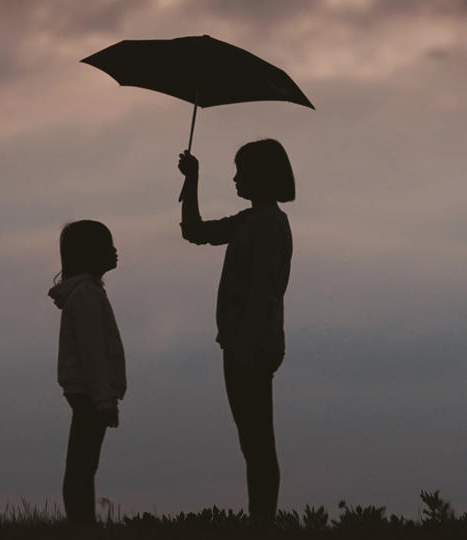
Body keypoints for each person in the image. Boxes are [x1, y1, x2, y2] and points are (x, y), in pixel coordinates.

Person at [177, 139, 294, 522]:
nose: (235, 178)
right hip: (246, 344)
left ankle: (262, 521)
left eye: (241, 170)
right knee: (254, 442)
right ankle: (261, 519)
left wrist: (246, 348)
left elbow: (263, 292)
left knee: (258, 442)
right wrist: (192, 180)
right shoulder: (251, 220)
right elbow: (195, 231)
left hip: (252, 347)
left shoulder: (267, 224)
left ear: (261, 176)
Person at [47, 220, 126, 524]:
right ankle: (81, 523)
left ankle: (81, 521)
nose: (115, 251)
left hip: (87, 393)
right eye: (107, 245)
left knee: (83, 462)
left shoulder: (87, 293)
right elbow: (92, 352)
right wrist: (104, 400)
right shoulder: (87, 296)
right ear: (90, 254)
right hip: (90, 394)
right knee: (83, 464)